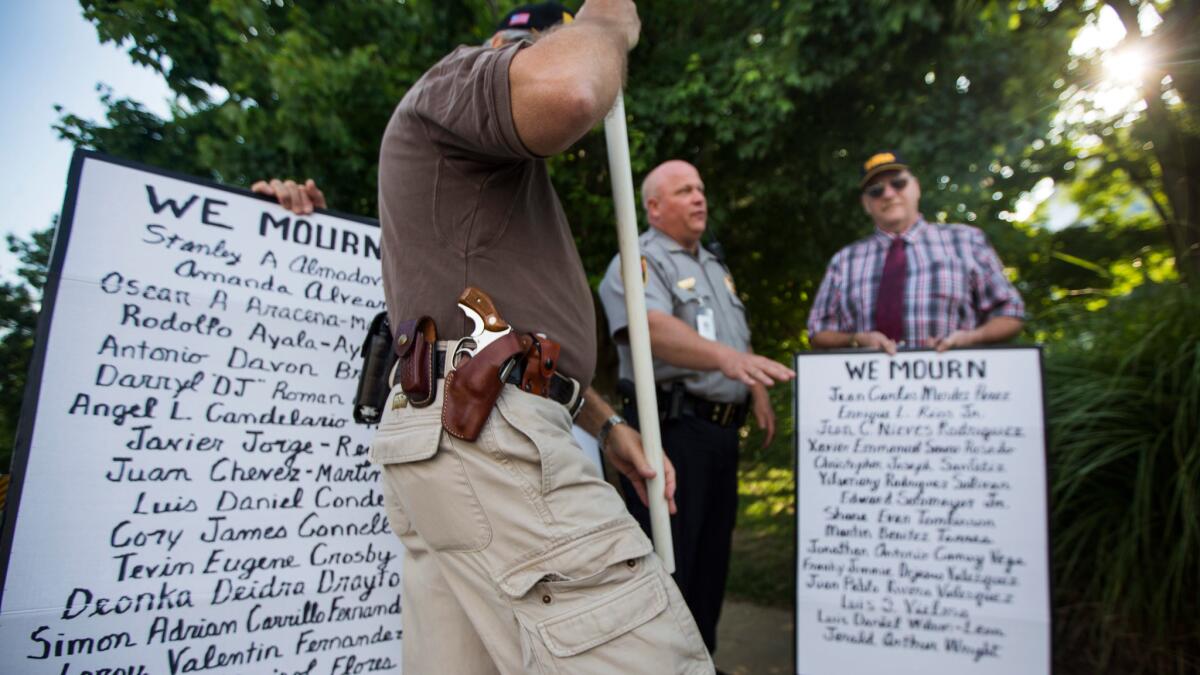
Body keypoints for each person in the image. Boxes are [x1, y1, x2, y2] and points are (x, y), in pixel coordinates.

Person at [370, 3, 714, 673]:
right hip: (490, 443)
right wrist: (607, 28)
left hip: (467, 439)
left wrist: (608, 423)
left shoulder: (492, 187)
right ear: (508, 45)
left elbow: (507, 340)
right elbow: (571, 88)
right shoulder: (458, 81)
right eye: (539, 43)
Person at [597, 159, 794, 656]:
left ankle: (701, 661)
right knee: (671, 566)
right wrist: (731, 361)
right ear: (654, 207)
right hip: (672, 431)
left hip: (720, 435)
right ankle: (664, 665)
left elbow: (732, 339)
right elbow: (650, 329)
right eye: (685, 191)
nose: (699, 197)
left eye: (701, 188)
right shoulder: (637, 258)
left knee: (710, 566)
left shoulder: (712, 263)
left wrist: (755, 388)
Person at [808, 151, 1025, 354]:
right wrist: (855, 339)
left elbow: (1010, 312)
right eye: (876, 190)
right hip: (869, 391)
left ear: (917, 187)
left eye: (898, 183)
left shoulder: (966, 241)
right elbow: (818, 331)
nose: (889, 194)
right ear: (866, 203)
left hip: (955, 388)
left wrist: (971, 338)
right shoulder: (845, 260)